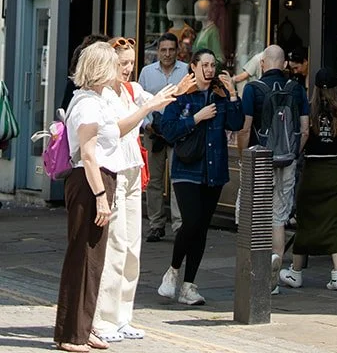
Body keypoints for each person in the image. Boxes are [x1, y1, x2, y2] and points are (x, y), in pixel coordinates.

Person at [55, 41, 179, 353]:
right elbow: (88, 154)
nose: (121, 70)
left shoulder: (99, 100)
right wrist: (99, 196)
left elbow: (121, 129)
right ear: (99, 69)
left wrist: (150, 105)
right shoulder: (85, 104)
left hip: (103, 180)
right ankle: (71, 334)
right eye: (114, 64)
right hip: (89, 182)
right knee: (82, 259)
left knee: (95, 261)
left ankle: (86, 328)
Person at [94, 38, 191, 343]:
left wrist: (183, 88)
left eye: (131, 63)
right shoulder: (103, 95)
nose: (127, 68)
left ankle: (123, 317)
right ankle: (104, 319)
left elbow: (160, 99)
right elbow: (118, 129)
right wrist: (148, 106)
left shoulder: (133, 89)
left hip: (134, 170)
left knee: (133, 248)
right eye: (122, 63)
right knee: (115, 247)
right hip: (115, 173)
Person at [157, 48, 243, 306]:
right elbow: (168, 130)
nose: (209, 70)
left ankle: (189, 286)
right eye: (204, 64)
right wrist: (196, 117)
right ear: (193, 66)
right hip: (186, 169)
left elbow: (236, 124)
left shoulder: (219, 95)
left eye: (212, 65)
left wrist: (233, 94)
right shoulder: (182, 94)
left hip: (213, 171)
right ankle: (172, 271)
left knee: (201, 228)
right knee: (191, 222)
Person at [279, 69, 337, 291]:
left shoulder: (308, 110)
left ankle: (295, 273)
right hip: (334, 170)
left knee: (305, 220)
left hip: (312, 171)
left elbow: (302, 136)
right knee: (335, 221)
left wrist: (294, 155)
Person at [239, 42, 309, 275]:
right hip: (287, 159)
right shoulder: (296, 88)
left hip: (259, 159)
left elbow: (245, 129)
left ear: (262, 63)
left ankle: (256, 272)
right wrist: (293, 153)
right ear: (285, 64)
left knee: (256, 213)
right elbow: (305, 129)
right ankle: (276, 273)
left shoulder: (252, 89)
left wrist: (243, 157)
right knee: (279, 216)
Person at [138, 32, 189, 242]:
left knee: (177, 180)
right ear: (157, 51)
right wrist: (147, 124)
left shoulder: (186, 70)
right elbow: (139, 102)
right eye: (163, 50)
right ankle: (156, 225)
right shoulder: (147, 72)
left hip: (177, 133)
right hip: (154, 134)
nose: (167, 54)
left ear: (177, 51)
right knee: (154, 181)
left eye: (171, 50)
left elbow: (190, 100)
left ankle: (179, 226)